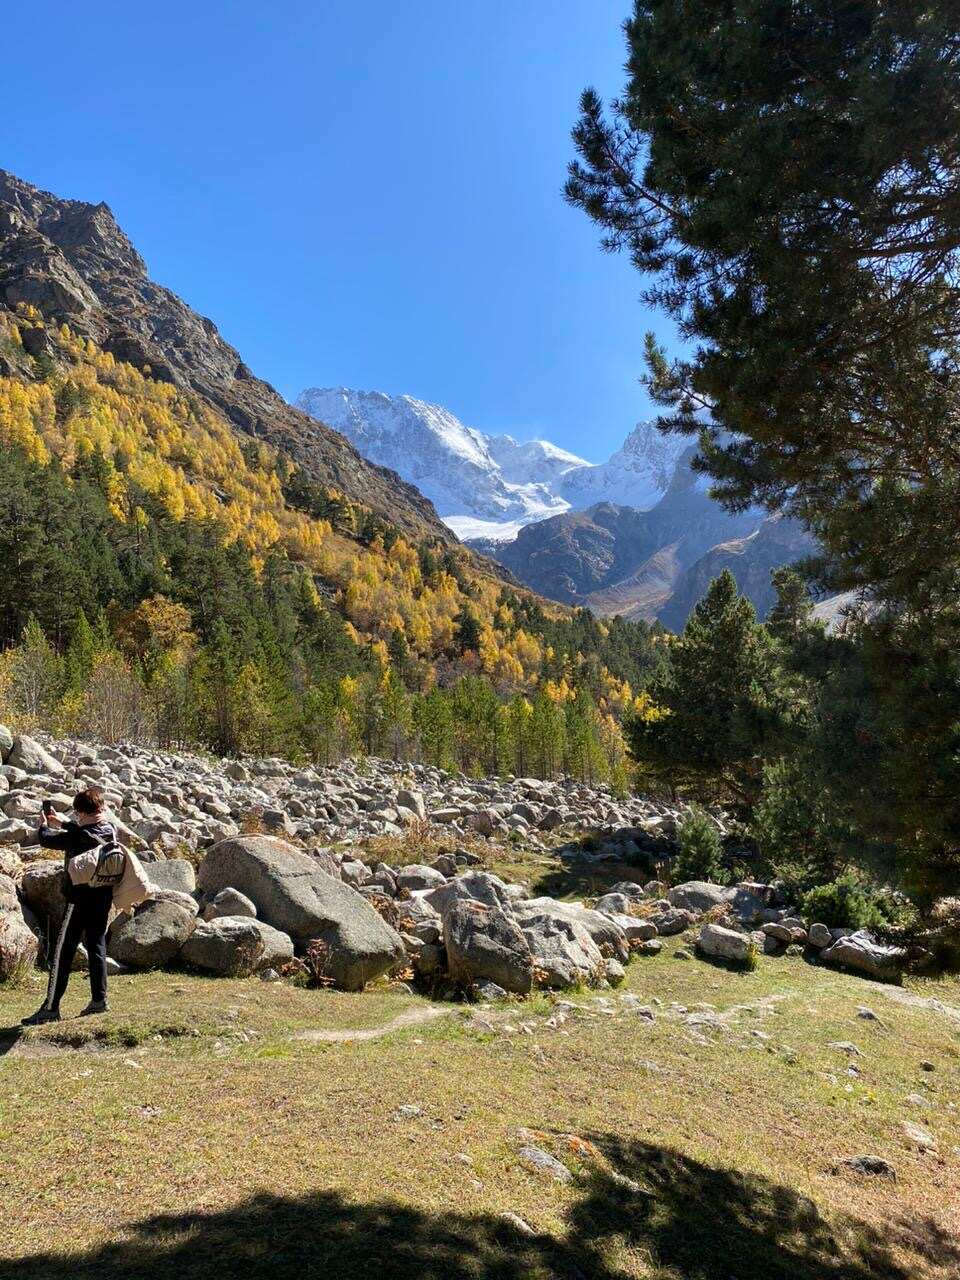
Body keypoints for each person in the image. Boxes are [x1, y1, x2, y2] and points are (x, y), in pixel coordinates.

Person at [22, 787, 117, 1025]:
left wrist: (43, 825)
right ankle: (99, 1001)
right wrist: (63, 822)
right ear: (101, 807)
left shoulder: (79, 836)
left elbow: (47, 840)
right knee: (97, 946)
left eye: (77, 814)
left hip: (78, 901)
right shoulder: (110, 829)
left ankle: (51, 1008)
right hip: (103, 898)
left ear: (81, 812)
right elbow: (85, 832)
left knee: (63, 952)